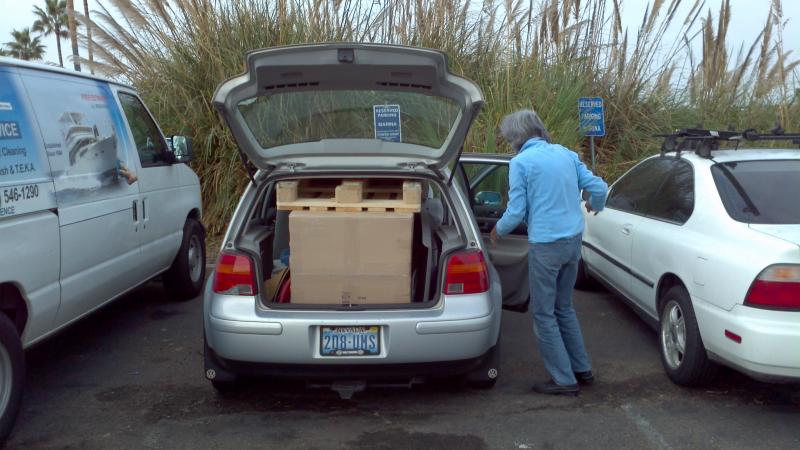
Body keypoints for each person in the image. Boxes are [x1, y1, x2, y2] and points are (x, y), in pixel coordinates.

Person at [490, 109, 608, 396]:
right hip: (572, 241)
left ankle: (564, 380)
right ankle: (582, 370)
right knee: (564, 307)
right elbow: (600, 187)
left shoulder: (521, 163)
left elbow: (516, 211)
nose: (510, 144)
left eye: (509, 139)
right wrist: (596, 204)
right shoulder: (566, 154)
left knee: (544, 314)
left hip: (546, 245)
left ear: (516, 138)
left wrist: (498, 230)